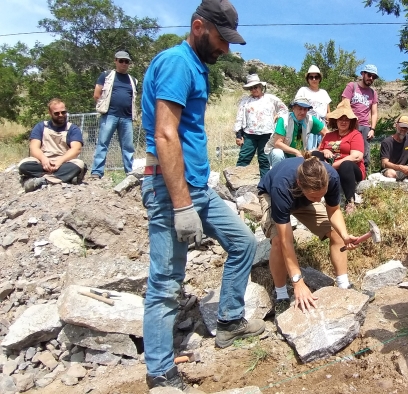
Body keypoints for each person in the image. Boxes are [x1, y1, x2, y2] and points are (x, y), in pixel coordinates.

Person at [140, 1, 264, 390]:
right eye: (221, 40)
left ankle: (228, 321)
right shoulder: (177, 63)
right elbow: (165, 134)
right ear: (198, 26)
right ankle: (161, 372)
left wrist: (196, 194)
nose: (226, 50)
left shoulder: (195, 66)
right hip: (171, 190)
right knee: (165, 282)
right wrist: (181, 206)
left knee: (243, 243)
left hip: (197, 188)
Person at [257, 154, 367, 315]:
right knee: (279, 242)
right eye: (315, 197)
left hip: (302, 199)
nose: (318, 200)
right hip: (272, 197)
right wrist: (298, 283)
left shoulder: (330, 177)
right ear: (300, 184)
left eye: (322, 195)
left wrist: (344, 235)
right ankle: (281, 296)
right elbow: (287, 241)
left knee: (336, 235)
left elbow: (334, 210)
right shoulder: (281, 186)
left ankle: (344, 286)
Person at [19, 99, 86, 192]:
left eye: (63, 112)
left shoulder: (72, 128)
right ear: (50, 113)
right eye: (57, 113)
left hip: (64, 162)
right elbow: (34, 147)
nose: (61, 115)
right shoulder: (41, 126)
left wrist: (60, 161)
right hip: (43, 161)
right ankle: (65, 177)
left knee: (79, 165)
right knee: (24, 165)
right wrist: (43, 160)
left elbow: (76, 149)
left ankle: (42, 180)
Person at [90, 50, 137, 179]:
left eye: (126, 61)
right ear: (115, 61)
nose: (124, 64)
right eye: (121, 61)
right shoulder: (106, 75)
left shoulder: (133, 80)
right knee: (103, 143)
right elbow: (97, 94)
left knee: (128, 147)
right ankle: (97, 172)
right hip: (109, 115)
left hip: (127, 118)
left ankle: (130, 172)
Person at [313, 101, 365, 214]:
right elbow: (318, 152)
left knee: (346, 165)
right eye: (340, 119)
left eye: (347, 119)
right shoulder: (328, 135)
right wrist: (325, 150)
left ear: (351, 122)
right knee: (315, 156)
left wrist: (331, 166)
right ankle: (314, 196)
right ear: (335, 120)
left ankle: (350, 202)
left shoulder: (355, 134)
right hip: (329, 168)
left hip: (350, 170)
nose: (343, 122)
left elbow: (357, 156)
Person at [234, 74, 288, 178]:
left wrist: (278, 115)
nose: (254, 90)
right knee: (244, 157)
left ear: (261, 87)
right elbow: (239, 117)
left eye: (256, 87)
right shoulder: (245, 101)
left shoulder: (271, 98)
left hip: (267, 134)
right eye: (251, 88)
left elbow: (284, 109)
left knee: (264, 160)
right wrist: (238, 135)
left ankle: (265, 185)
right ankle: (235, 181)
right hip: (249, 134)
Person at [265, 96, 328, 169]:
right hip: (281, 152)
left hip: (299, 154)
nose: (302, 112)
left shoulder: (310, 120)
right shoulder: (283, 119)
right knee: (277, 153)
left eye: (305, 109)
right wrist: (296, 152)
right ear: (293, 108)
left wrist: (320, 148)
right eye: (300, 109)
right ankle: (276, 175)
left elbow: (327, 133)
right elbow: (277, 143)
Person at [341, 64, 379, 172]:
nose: (371, 78)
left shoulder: (373, 93)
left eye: (374, 77)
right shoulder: (352, 86)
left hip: (365, 127)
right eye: (369, 75)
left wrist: (372, 129)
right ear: (363, 74)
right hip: (351, 125)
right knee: (347, 151)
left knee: (365, 155)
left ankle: (363, 178)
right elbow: (344, 105)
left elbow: (374, 112)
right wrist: (350, 121)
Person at [295, 65, 332, 150]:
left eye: (316, 77)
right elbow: (297, 105)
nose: (314, 79)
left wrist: (329, 118)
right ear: (308, 79)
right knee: (307, 147)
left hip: (322, 123)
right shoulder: (303, 90)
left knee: (322, 147)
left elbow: (327, 108)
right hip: (307, 121)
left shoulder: (324, 92)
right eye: (311, 77)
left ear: (320, 79)